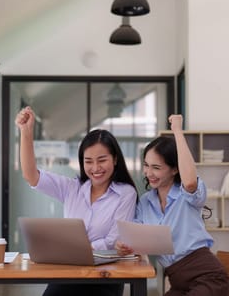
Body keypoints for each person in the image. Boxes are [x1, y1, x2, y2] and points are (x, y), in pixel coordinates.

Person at [15, 106, 138, 296]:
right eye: (88, 161)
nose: (95, 167)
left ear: (114, 159)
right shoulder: (72, 188)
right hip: (69, 271)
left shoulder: (126, 193)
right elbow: (31, 176)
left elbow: (113, 241)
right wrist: (26, 132)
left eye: (102, 160)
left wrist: (74, 249)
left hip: (105, 275)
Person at [116, 114, 229, 296]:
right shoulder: (145, 202)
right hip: (177, 282)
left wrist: (177, 129)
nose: (149, 173)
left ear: (175, 169)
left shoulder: (188, 196)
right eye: (146, 165)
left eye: (156, 167)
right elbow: (135, 237)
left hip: (208, 277)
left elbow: (190, 182)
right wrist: (124, 245)